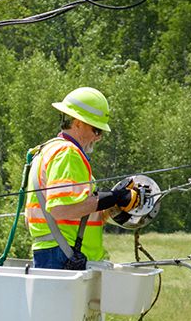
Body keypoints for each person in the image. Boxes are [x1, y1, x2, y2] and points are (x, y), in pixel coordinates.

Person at [26, 87, 138, 270]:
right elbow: (60, 210)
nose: (99, 137)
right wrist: (112, 197)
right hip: (64, 254)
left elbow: (73, 213)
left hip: (56, 251)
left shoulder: (47, 150)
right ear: (77, 123)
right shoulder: (67, 153)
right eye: (96, 129)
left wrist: (111, 207)